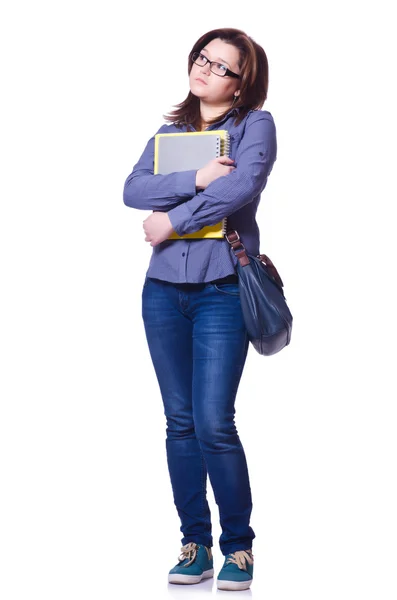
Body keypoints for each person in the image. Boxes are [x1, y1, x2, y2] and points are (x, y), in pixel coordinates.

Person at [123, 27, 277, 591]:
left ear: (241, 84)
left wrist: (174, 217)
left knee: (214, 423)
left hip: (223, 291)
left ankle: (239, 548)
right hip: (162, 291)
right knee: (179, 424)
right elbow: (134, 189)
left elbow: (241, 189)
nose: (206, 69)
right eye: (202, 58)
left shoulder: (254, 126)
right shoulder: (170, 134)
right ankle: (195, 544)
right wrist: (197, 177)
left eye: (222, 66)